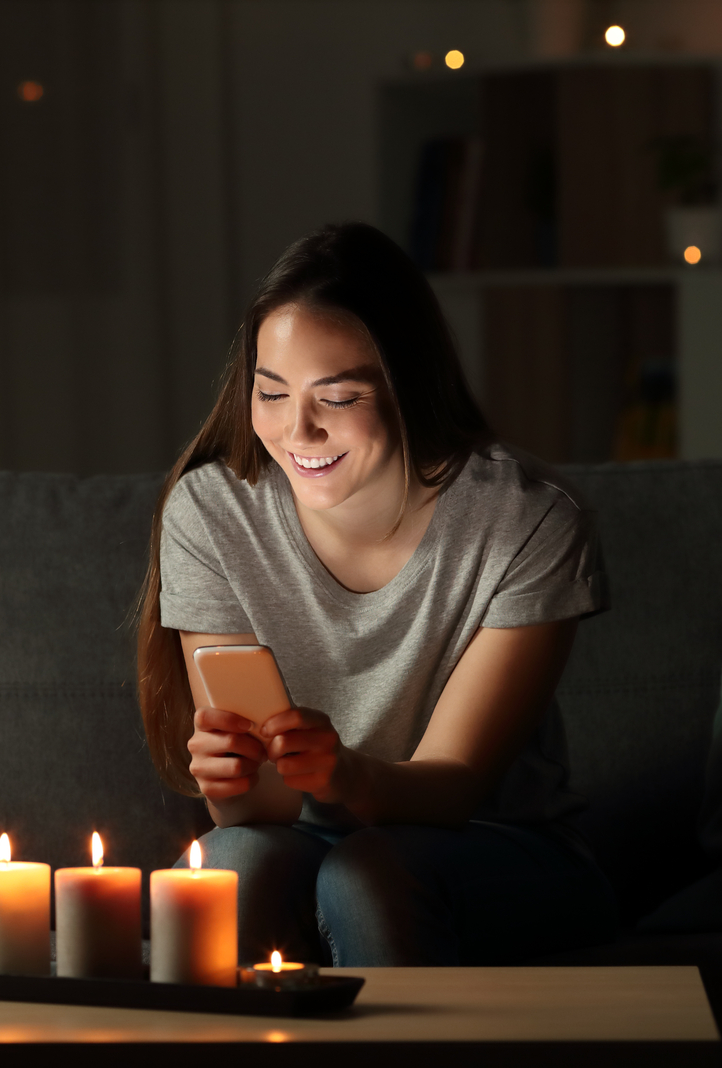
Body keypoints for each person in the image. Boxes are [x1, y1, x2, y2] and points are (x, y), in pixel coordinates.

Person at [135, 222, 616, 967]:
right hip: (302, 838)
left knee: (367, 875)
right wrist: (230, 782)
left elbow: (455, 788)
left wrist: (347, 774)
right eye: (271, 392)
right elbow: (254, 814)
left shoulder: (526, 519)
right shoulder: (212, 513)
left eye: (340, 395)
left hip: (495, 847)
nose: (298, 429)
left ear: (409, 386)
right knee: (231, 867)